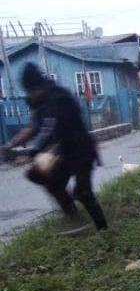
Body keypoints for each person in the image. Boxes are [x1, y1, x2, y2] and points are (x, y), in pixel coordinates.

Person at [0, 63, 107, 234]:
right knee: (50, 181)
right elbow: (33, 127)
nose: (29, 96)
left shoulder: (59, 98)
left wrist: (33, 153)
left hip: (81, 151)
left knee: (83, 192)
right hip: (63, 152)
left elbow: (51, 128)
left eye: (30, 91)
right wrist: (10, 145)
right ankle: (75, 220)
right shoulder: (40, 102)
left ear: (36, 87)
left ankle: (104, 232)